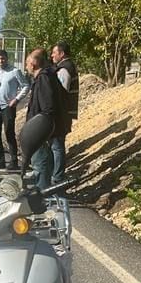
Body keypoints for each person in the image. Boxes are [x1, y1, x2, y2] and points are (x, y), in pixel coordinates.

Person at [22, 48, 68, 190]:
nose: (26, 66)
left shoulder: (43, 78)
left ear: (34, 63)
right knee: (43, 162)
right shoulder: (46, 76)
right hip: (42, 130)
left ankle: (42, 195)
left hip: (39, 132)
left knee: (40, 162)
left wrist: (38, 129)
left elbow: (47, 108)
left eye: (27, 63)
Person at [0, 49, 29, 170]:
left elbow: (26, 86)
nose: (1, 61)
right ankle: (0, 160)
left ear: (7, 59)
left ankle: (14, 161)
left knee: (9, 133)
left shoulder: (14, 71)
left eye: (3, 59)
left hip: (8, 107)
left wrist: (16, 99)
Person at [50, 41, 79, 184]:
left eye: (54, 53)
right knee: (56, 145)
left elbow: (60, 93)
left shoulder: (64, 69)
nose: (52, 56)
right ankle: (56, 174)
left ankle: (57, 177)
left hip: (61, 114)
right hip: (63, 113)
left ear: (61, 54)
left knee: (57, 146)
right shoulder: (66, 67)